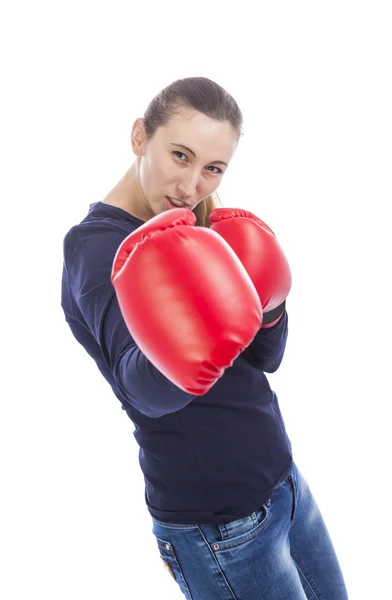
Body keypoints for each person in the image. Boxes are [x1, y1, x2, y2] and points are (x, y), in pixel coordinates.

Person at [61, 77, 349, 599]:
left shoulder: (203, 224)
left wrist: (273, 303)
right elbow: (142, 391)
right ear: (139, 137)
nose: (193, 185)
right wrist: (195, 342)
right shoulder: (98, 248)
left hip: (284, 485)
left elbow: (266, 358)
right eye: (180, 155)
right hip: (220, 527)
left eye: (212, 169)